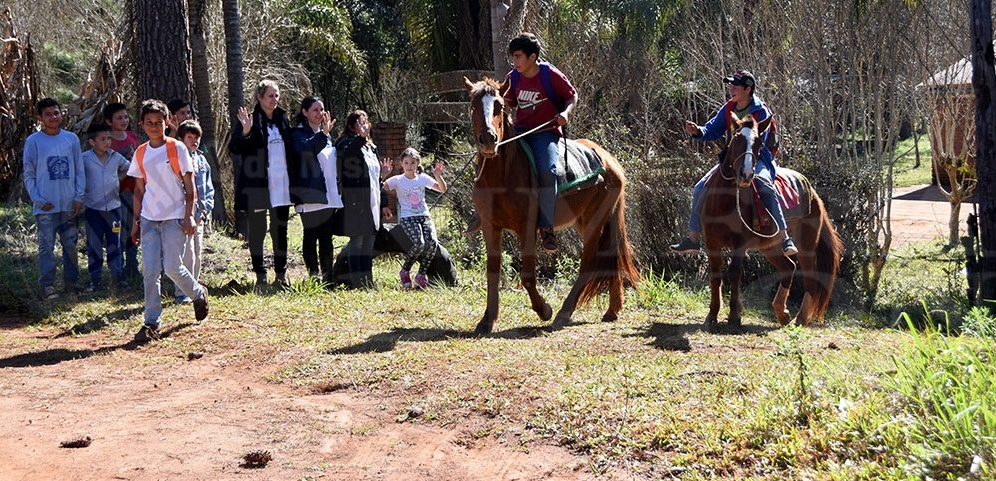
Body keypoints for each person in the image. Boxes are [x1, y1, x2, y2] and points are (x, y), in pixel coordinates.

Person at [670, 70, 798, 256]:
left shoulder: (761, 111)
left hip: (757, 159)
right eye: (730, 86)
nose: (731, 89)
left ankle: (784, 238)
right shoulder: (729, 107)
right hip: (732, 160)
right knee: (699, 188)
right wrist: (698, 131)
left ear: (748, 89)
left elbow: (759, 143)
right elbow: (712, 129)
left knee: (765, 186)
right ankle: (693, 238)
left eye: (735, 86)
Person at [128, 99, 209, 343]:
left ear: (167, 123)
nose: (154, 126)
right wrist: (135, 222)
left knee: (173, 267)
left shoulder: (177, 148)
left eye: (158, 122)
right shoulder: (141, 152)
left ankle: (197, 293)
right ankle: (151, 321)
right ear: (142, 124)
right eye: (149, 122)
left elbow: (190, 186)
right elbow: (139, 190)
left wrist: (189, 216)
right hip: (149, 219)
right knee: (150, 271)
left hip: (175, 217)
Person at [497, 32, 577, 252]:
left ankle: (547, 228)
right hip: (520, 131)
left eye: (518, 56)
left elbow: (572, 96)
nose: (514, 61)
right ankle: (484, 213)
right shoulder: (513, 77)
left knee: (547, 171)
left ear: (532, 57)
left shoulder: (550, 75)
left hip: (546, 133)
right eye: (513, 57)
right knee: (493, 158)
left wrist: (566, 113)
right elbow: (508, 103)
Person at [230, 80, 293, 287]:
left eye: (277, 95)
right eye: (270, 96)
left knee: (280, 230)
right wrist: (246, 132)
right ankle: (260, 275)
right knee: (258, 230)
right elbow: (235, 148)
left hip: (281, 184)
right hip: (257, 185)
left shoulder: (283, 118)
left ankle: (281, 275)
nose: (275, 100)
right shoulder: (250, 119)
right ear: (259, 97)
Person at [22, 97, 85, 299]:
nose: (53, 117)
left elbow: (79, 170)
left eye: (56, 113)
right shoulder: (34, 141)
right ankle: (47, 285)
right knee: (46, 247)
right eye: (47, 114)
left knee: (70, 245)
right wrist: (38, 200)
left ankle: (71, 283)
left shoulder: (71, 139)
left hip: (68, 204)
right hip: (46, 206)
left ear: (61, 114)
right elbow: (29, 174)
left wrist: (79, 196)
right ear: (40, 117)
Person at [335, 109, 392, 289]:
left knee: (368, 243)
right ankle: (357, 282)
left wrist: (384, 202)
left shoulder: (371, 147)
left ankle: (367, 281)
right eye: (360, 122)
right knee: (357, 242)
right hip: (356, 202)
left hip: (372, 201)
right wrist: (360, 138)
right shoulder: (345, 143)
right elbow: (346, 157)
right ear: (352, 126)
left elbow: (376, 180)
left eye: (366, 121)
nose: (365, 125)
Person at [288, 96, 340, 283]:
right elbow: (306, 150)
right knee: (311, 235)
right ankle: (314, 276)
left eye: (322, 109)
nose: (320, 113)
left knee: (326, 237)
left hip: (328, 193)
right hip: (308, 193)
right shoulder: (298, 134)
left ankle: (328, 277)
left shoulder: (327, 136)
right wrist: (323, 134)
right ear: (305, 112)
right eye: (315, 110)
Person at [382, 148, 447, 289]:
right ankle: (405, 271)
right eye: (406, 163)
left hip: (424, 216)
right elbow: (380, 187)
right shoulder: (398, 180)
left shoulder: (423, 178)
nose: (409, 166)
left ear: (417, 163)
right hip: (408, 217)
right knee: (419, 243)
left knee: (432, 243)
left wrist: (438, 176)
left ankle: (421, 275)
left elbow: (442, 189)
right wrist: (384, 174)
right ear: (402, 164)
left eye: (412, 163)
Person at [81, 123, 131, 291]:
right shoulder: (84, 158)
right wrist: (83, 187)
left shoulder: (115, 156)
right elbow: (78, 175)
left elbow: (129, 167)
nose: (107, 142)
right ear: (92, 142)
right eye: (102, 139)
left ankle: (117, 276)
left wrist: (118, 179)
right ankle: (95, 279)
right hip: (93, 208)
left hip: (113, 208)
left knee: (114, 242)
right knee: (94, 244)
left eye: (109, 138)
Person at [174, 120, 215, 303]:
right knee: (186, 254)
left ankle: (194, 290)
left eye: (196, 137)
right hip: (182, 214)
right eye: (189, 137)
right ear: (181, 139)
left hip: (199, 214)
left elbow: (208, 187)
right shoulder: (177, 159)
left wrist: (206, 209)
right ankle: (182, 292)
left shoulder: (201, 159)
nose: (194, 141)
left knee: (197, 253)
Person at [104, 102, 141, 283]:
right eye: (119, 118)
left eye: (126, 117)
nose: (124, 121)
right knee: (116, 231)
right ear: (109, 121)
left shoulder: (132, 136)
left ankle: (132, 266)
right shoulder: (106, 141)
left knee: (133, 228)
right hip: (115, 192)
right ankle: (116, 270)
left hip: (134, 190)